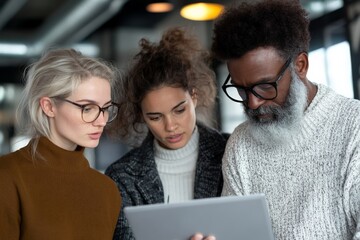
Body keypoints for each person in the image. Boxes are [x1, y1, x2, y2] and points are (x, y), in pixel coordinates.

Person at [208, 0, 360, 239]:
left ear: (300, 66)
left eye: (264, 86)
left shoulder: (354, 127)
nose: (252, 103)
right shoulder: (241, 144)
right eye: (241, 89)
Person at [105, 27, 229, 240]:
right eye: (155, 117)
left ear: (194, 97)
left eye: (179, 110)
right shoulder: (122, 176)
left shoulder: (231, 152)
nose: (170, 126)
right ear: (142, 115)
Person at [0, 48, 122, 239]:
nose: (102, 121)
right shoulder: (7, 177)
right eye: (88, 108)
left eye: (106, 108)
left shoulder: (107, 191)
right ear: (48, 106)